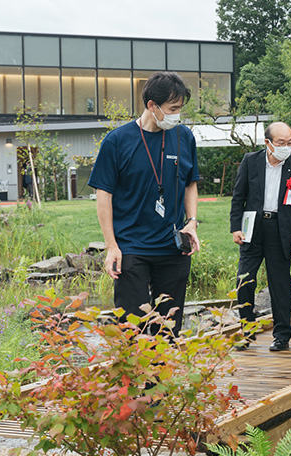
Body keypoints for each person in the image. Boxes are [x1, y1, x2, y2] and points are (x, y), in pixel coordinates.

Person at [89, 71, 200, 336]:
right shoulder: (117, 141)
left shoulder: (184, 137)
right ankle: (135, 377)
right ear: (152, 105)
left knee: (168, 330)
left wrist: (192, 222)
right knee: (132, 328)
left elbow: (190, 183)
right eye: (172, 109)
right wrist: (111, 246)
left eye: (180, 109)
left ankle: (160, 380)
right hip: (131, 250)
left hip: (173, 250)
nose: (177, 115)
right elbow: (104, 196)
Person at [229, 122, 291, 351]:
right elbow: (238, 196)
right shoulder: (251, 161)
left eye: (290, 143)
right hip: (252, 228)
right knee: (244, 279)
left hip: (281, 229)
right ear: (268, 143)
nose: (286, 147)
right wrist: (236, 227)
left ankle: (282, 335)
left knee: (280, 283)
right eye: (281, 143)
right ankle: (247, 331)